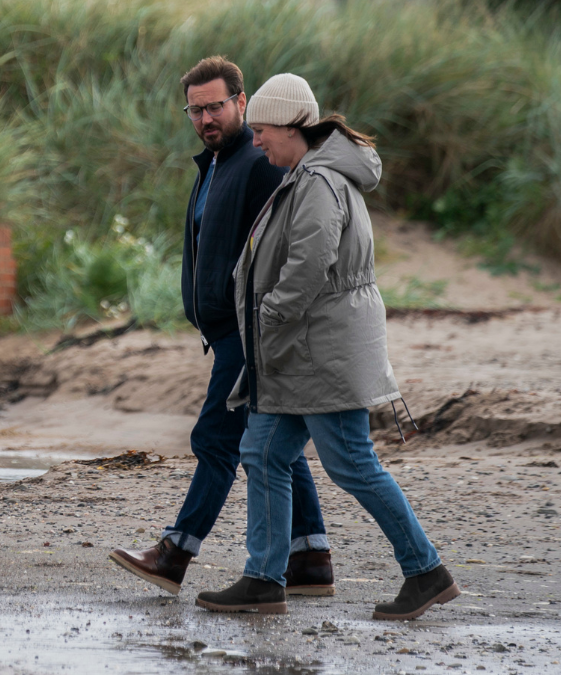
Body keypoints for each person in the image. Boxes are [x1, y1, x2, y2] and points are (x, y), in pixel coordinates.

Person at [196, 73, 457, 619]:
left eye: (264, 130)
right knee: (262, 454)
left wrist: (266, 316)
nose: (258, 140)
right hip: (299, 354)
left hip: (321, 353)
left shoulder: (318, 182)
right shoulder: (307, 174)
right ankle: (264, 579)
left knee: (353, 465)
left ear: (292, 126)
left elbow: (308, 266)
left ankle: (425, 570)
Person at [109, 57, 333, 597]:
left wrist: (269, 320)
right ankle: (311, 559)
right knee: (272, 446)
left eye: (216, 106)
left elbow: (289, 248)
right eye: (196, 109)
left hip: (250, 331)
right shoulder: (213, 164)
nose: (207, 118)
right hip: (230, 331)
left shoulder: (259, 164)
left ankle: (175, 552)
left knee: (216, 439)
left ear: (242, 102)